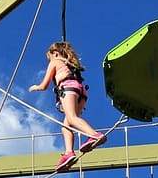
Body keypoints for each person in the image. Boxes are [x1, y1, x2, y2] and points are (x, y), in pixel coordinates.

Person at [29, 40, 107, 171]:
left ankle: (94, 135)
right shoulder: (70, 64)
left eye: (49, 58)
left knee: (71, 118)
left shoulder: (55, 62)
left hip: (69, 89)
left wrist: (36, 87)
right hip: (81, 92)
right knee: (66, 126)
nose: (49, 61)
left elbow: (44, 85)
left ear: (55, 53)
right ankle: (69, 153)